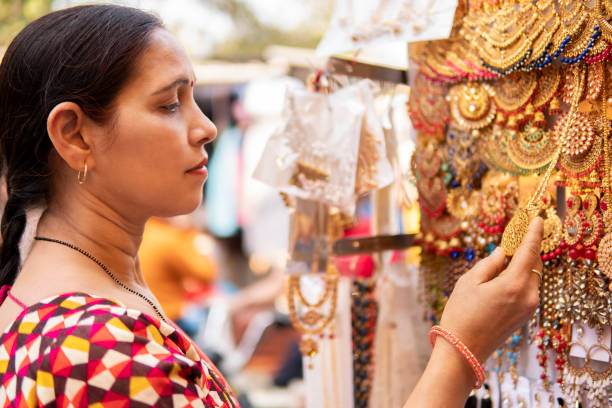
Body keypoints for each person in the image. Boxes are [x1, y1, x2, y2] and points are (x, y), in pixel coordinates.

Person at [0, 5, 542, 407]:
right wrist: (459, 351)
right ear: (74, 135)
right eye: (168, 104)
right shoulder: (96, 347)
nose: (206, 126)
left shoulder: (77, 300)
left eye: (192, 99)